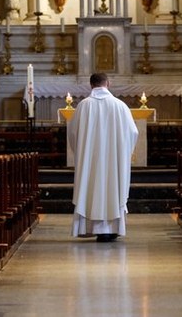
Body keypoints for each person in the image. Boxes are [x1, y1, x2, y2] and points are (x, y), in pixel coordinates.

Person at [68, 73, 139, 242]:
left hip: (90, 161)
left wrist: (82, 153)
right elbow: (133, 132)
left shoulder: (83, 106)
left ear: (91, 85)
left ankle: (89, 227)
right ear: (108, 83)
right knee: (113, 188)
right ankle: (113, 228)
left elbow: (72, 134)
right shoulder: (120, 106)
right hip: (114, 161)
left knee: (90, 186)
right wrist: (124, 152)